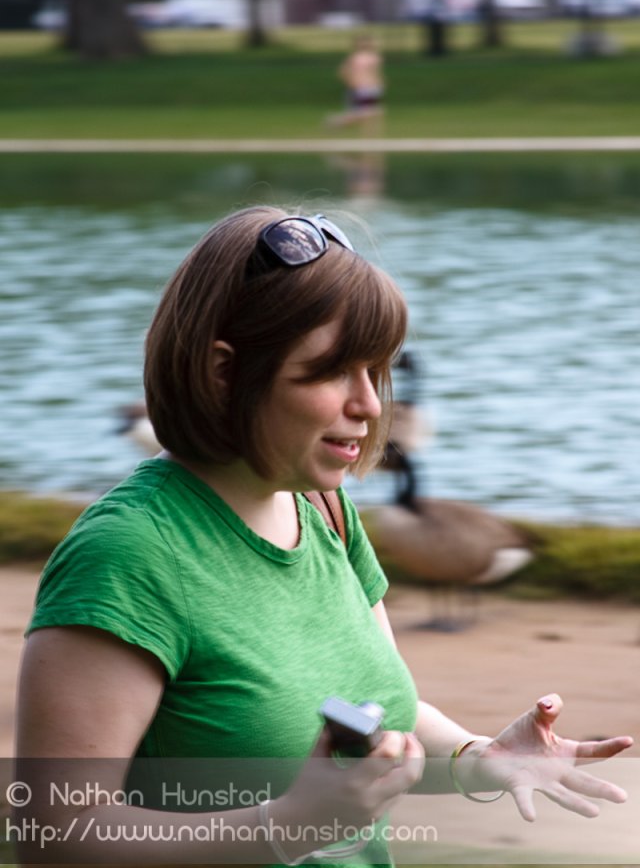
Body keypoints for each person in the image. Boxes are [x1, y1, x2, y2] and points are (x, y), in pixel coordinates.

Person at [14, 206, 632, 866]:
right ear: (225, 372)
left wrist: (479, 758)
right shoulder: (127, 555)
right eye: (336, 370)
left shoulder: (322, 509)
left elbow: (376, 723)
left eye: (376, 370)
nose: (370, 404)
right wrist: (283, 826)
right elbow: (53, 838)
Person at [326, 35, 384, 131]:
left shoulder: (374, 57)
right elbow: (342, 71)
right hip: (360, 87)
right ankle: (336, 121)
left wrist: (380, 83)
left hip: (373, 87)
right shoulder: (354, 58)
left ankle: (372, 136)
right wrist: (350, 81)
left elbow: (376, 72)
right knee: (364, 114)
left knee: (375, 113)